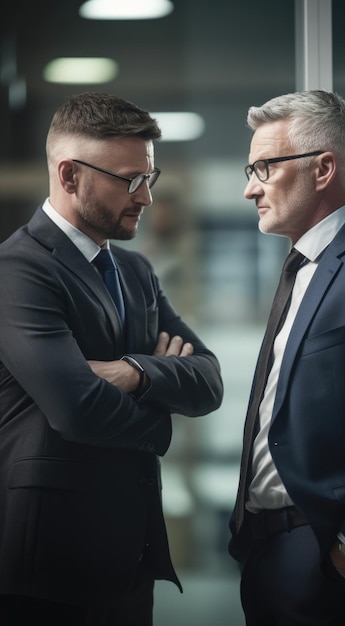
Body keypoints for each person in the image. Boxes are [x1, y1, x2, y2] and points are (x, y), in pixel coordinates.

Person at [0, 91, 223, 626]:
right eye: (130, 180)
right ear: (71, 175)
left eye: (150, 177)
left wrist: (132, 371)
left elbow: (208, 379)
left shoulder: (137, 272)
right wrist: (162, 408)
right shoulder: (19, 271)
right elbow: (77, 408)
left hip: (128, 560)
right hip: (49, 568)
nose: (146, 197)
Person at [228, 89, 345, 625]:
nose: (250, 189)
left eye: (264, 167)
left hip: (330, 558)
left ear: (323, 169)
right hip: (269, 554)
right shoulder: (305, 266)